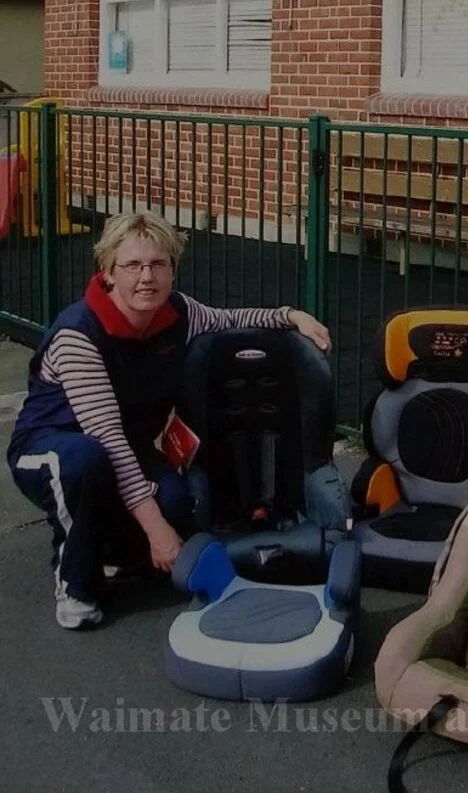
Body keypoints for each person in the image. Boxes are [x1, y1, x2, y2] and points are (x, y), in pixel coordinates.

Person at [7, 211, 331, 631]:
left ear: (172, 271)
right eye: (132, 265)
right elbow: (107, 439)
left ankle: (112, 549)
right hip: (52, 450)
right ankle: (74, 580)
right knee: (87, 465)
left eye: (159, 264)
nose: (147, 277)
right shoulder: (78, 335)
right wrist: (156, 531)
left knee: (178, 502)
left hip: (123, 450)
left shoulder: (178, 314)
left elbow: (231, 320)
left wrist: (290, 315)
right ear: (108, 273)